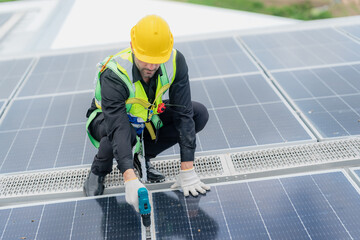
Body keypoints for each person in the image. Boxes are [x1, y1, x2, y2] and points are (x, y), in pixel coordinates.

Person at [83, 14, 210, 211]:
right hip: (107, 122)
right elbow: (118, 126)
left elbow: (183, 113)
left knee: (198, 114)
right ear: (133, 46)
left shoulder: (175, 61)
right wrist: (129, 178)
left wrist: (188, 169)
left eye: (157, 60)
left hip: (144, 118)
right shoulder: (115, 73)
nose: (151, 67)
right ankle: (98, 169)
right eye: (146, 60)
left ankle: (142, 159)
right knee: (122, 135)